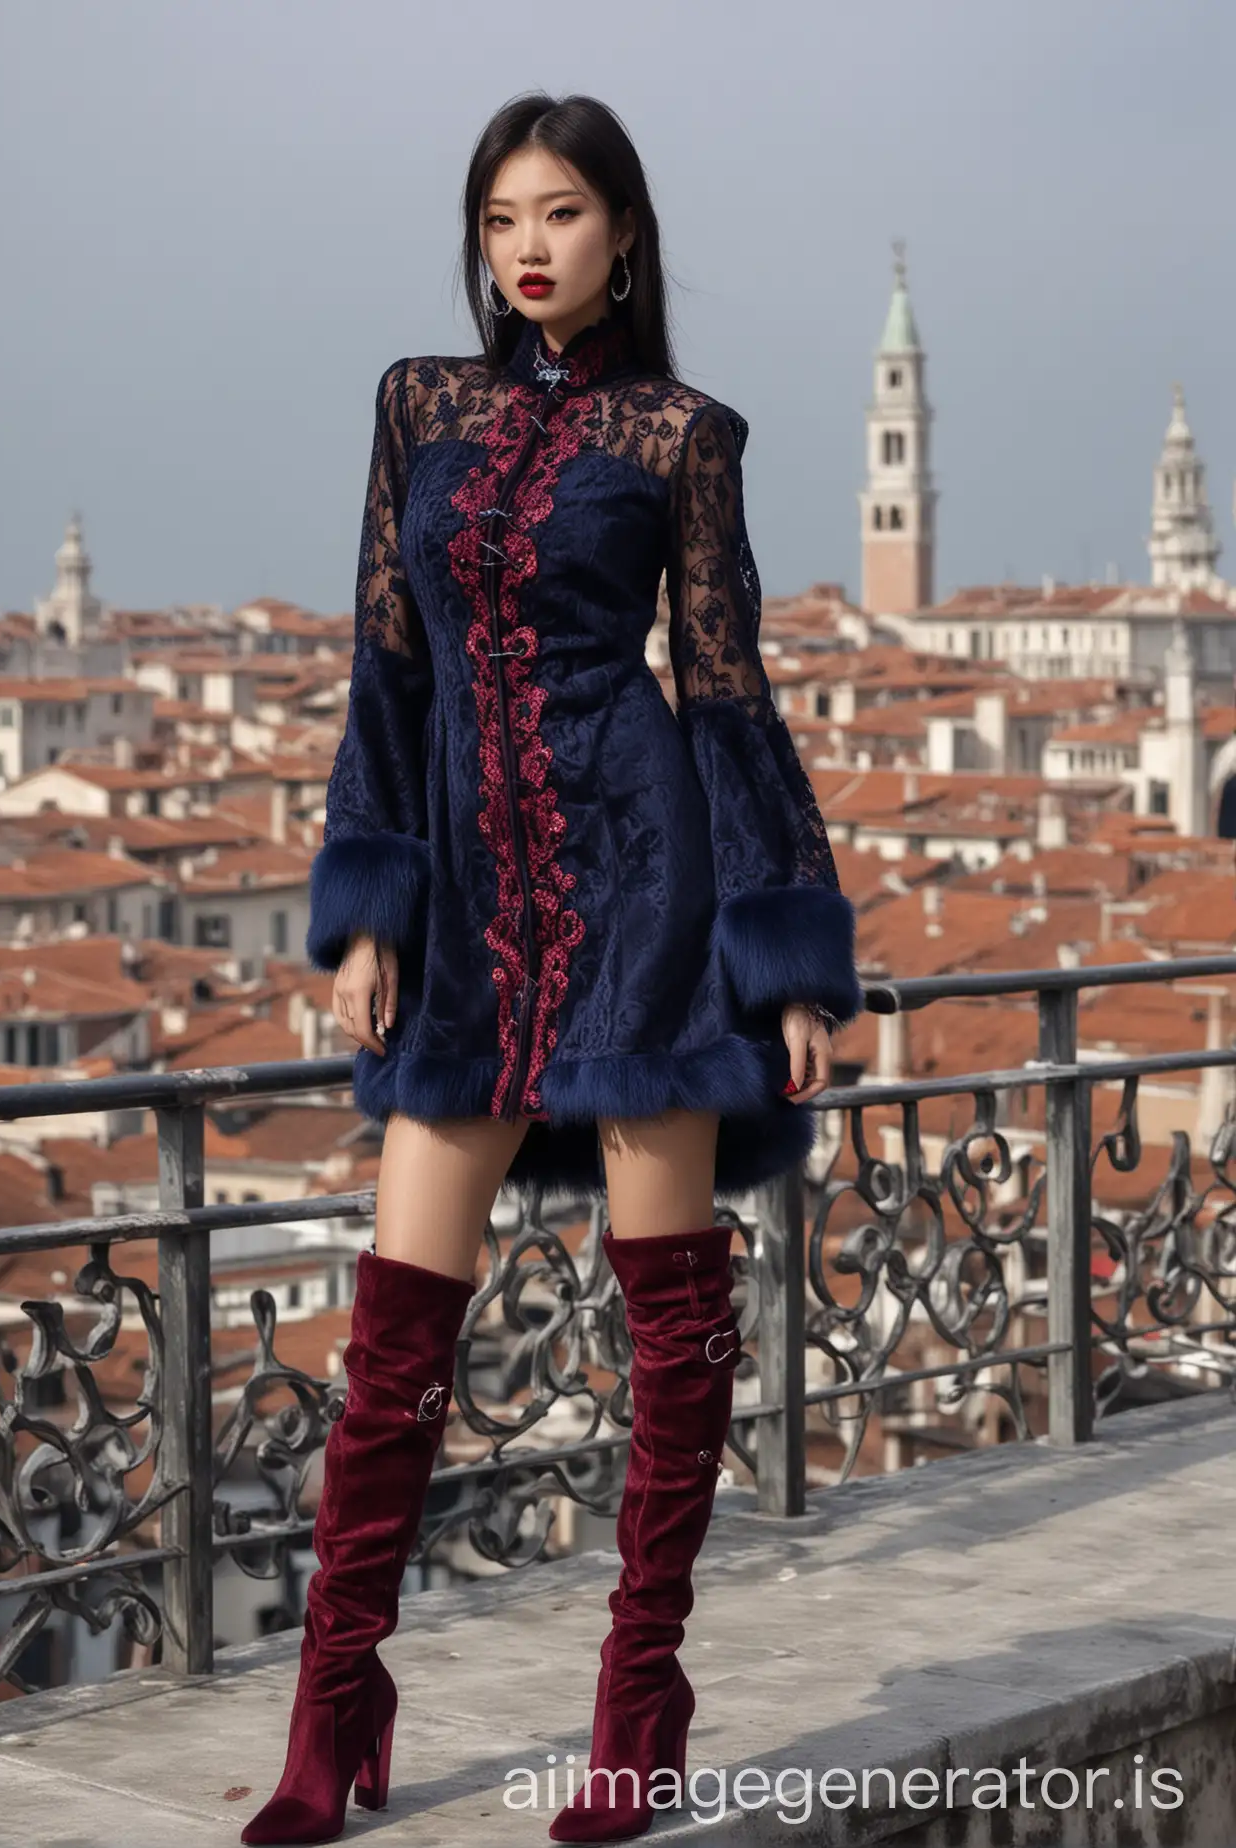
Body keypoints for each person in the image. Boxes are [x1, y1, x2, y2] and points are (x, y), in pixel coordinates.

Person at [241, 90, 861, 1847]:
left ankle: (638, 1693)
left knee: (671, 1325)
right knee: (392, 1341)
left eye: (565, 211)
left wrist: (792, 960)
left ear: (625, 236)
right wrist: (369, 908)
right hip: (464, 925)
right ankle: (335, 1701)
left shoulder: (683, 433)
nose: (530, 242)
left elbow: (728, 693)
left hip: (644, 889)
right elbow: (387, 669)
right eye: (505, 213)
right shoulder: (417, 407)